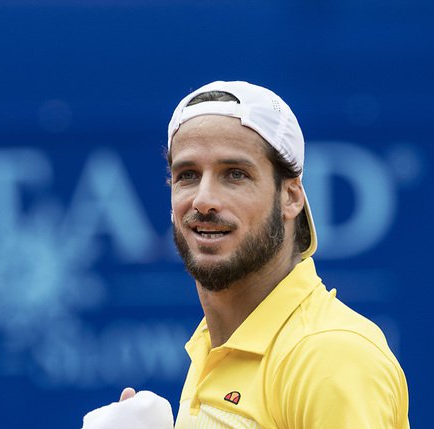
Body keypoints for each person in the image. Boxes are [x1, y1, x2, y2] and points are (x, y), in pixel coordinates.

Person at [82, 81, 410, 428]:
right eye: (188, 175)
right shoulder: (213, 343)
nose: (204, 199)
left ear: (291, 197)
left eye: (235, 174)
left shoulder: (330, 355)